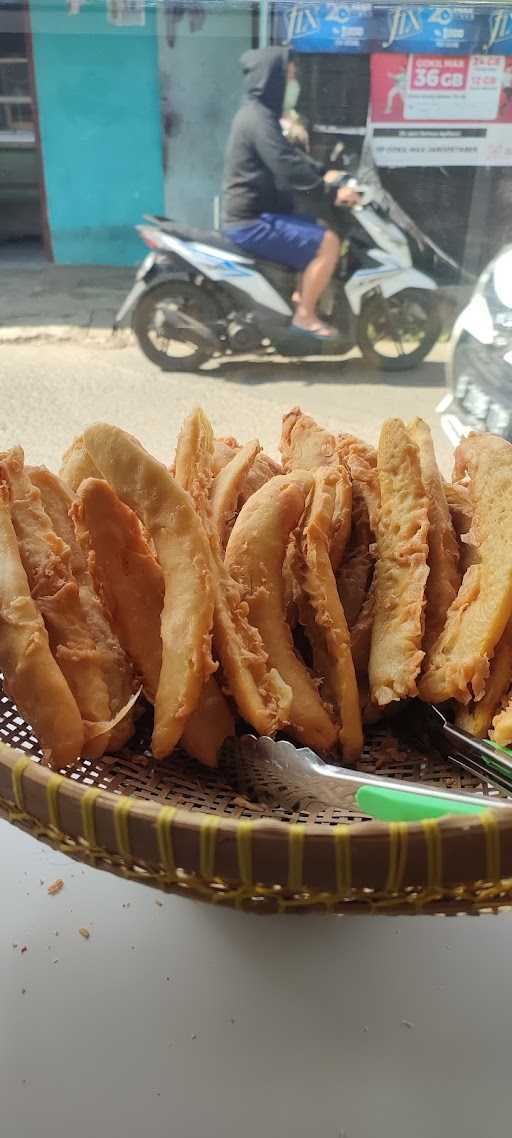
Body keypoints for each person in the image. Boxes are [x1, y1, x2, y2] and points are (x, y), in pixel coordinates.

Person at [222, 47, 360, 339]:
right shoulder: (258, 119)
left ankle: (300, 298)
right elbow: (285, 166)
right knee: (328, 244)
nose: (293, 85)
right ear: (272, 79)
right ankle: (304, 317)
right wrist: (328, 192)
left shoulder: (259, 116)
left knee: (314, 227)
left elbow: (290, 156)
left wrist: (323, 172)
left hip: (258, 214)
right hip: (251, 222)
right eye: (290, 77)